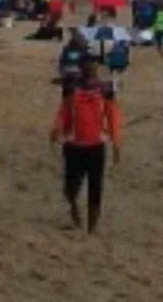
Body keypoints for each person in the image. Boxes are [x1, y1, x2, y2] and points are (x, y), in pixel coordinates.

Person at [49, 58, 122, 233]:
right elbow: (64, 112)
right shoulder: (72, 88)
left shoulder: (106, 91)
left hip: (96, 146)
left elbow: (113, 117)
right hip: (73, 145)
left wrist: (116, 143)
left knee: (95, 187)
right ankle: (74, 209)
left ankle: (92, 227)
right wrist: (56, 131)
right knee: (70, 187)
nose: (92, 70)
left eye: (94, 68)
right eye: (89, 67)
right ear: (82, 70)